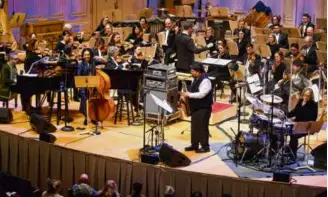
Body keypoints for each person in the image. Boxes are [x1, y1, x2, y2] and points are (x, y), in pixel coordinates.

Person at [181, 62, 213, 153]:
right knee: (194, 127)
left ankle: (205, 147)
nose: (191, 73)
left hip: (204, 108)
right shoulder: (195, 79)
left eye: (193, 71)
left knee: (202, 127)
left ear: (198, 71)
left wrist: (189, 94)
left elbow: (202, 94)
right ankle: (194, 145)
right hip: (195, 107)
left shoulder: (205, 81)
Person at [287, 88, 318, 159]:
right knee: (283, 129)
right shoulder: (300, 101)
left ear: (311, 97)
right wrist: (285, 114)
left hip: (306, 127)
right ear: (302, 94)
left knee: (293, 134)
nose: (306, 97)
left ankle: (292, 155)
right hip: (296, 124)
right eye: (305, 95)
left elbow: (312, 118)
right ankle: (287, 150)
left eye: (308, 96)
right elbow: (294, 112)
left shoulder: (313, 105)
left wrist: (298, 119)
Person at [77, 48, 96, 125]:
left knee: (94, 100)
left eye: (88, 54)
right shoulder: (81, 64)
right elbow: (79, 75)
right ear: (83, 55)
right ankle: (85, 116)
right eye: (85, 55)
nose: (87, 56)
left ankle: (93, 117)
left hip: (92, 85)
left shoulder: (93, 63)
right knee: (84, 98)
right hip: (84, 85)